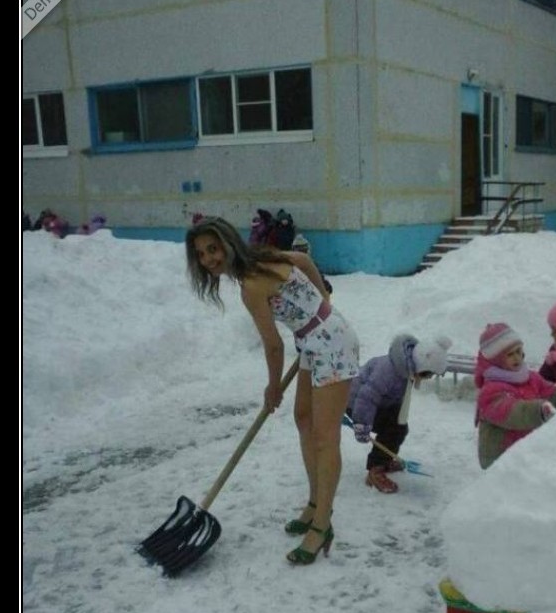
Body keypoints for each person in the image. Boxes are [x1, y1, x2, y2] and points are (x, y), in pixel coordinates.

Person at [185, 216, 360, 565]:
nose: (209, 259)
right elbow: (305, 260)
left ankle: (323, 524)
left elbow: (273, 347)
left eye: (213, 249)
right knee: (303, 418)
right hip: (314, 341)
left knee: (325, 438)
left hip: (330, 345)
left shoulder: (251, 284)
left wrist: (272, 387)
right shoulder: (263, 258)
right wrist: (322, 304)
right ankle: (314, 504)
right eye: (202, 255)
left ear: (228, 243)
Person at [346, 333, 452, 493]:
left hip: (380, 403)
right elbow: (367, 397)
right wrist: (361, 423)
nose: (427, 378)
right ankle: (376, 469)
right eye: (427, 374)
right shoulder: (388, 371)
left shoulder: (405, 367)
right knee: (393, 429)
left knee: (399, 427)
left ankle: (384, 459)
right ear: (421, 365)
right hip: (357, 404)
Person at [475, 323, 556, 470]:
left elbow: (552, 393)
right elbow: (512, 412)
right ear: (496, 359)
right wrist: (538, 410)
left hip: (525, 453)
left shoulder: (530, 378)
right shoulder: (490, 390)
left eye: (519, 351)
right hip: (500, 460)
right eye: (510, 354)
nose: (517, 358)